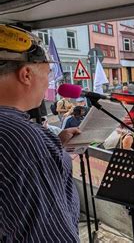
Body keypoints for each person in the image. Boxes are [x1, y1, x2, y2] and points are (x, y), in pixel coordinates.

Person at [0, 25, 81, 241]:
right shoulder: (23, 138)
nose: (48, 83)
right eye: (47, 73)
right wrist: (42, 148)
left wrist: (53, 145)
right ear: (26, 74)